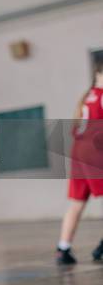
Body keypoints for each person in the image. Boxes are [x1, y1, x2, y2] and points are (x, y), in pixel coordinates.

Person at [56, 61, 103, 264]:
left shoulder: (86, 97)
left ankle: (63, 248)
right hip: (93, 152)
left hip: (78, 152)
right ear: (99, 74)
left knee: (77, 203)